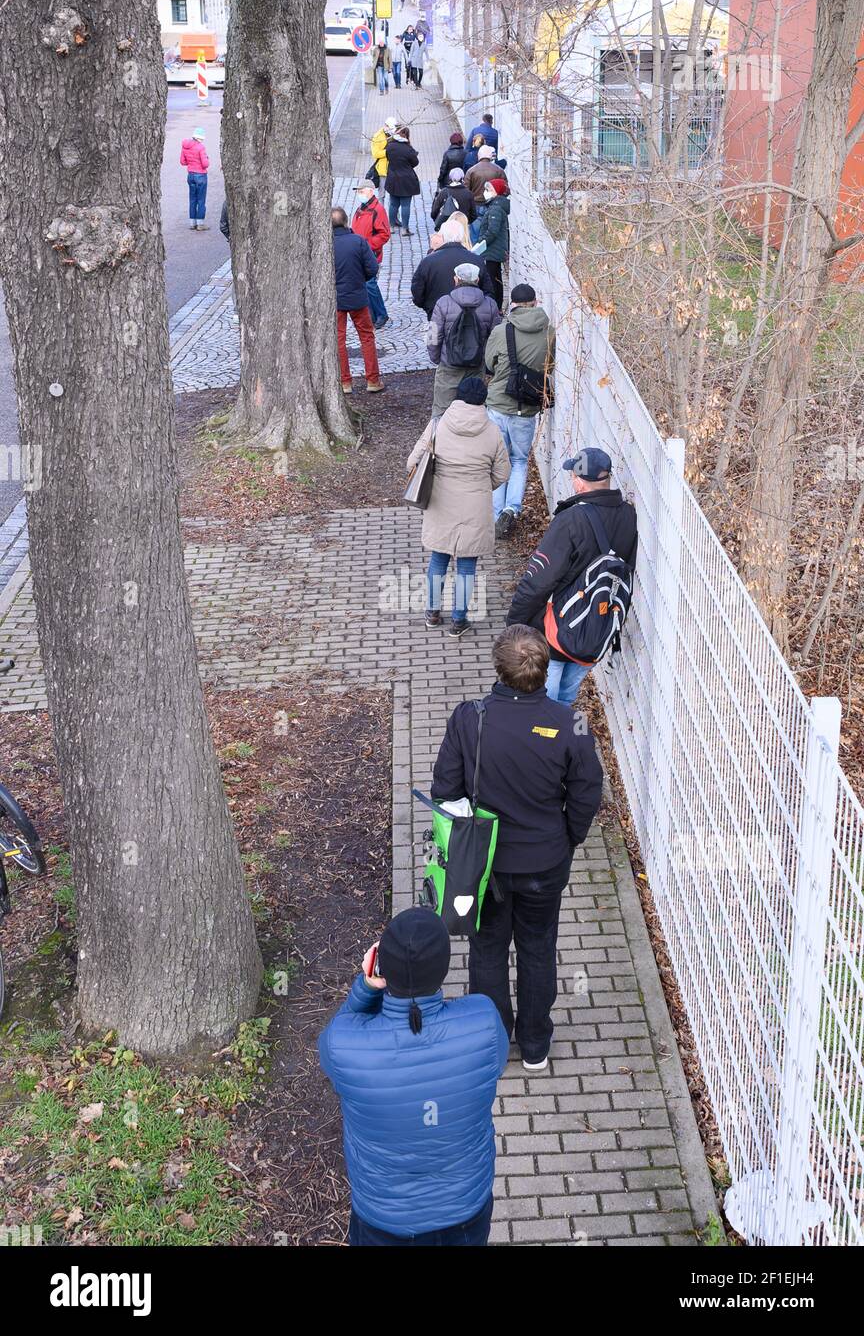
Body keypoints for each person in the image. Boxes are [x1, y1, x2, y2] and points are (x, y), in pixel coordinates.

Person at [430, 624, 604, 1067]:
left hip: (482, 867)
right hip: (545, 863)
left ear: (498, 668)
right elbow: (586, 793)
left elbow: (445, 790)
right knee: (538, 947)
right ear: (544, 672)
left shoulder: (469, 717)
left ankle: (491, 1042)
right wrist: (568, 838)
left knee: (487, 949)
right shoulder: (572, 724)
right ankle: (535, 1045)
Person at [319, 907, 508, 1247]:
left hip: (383, 1219)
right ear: (444, 967)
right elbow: (497, 1063)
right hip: (465, 1208)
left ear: (381, 966)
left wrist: (364, 988)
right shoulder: (484, 1020)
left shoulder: (344, 1044)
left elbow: (335, 1039)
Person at [507, 449, 638, 704]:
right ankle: (560, 739)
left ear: (579, 481)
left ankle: (543, 740)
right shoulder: (628, 516)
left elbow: (539, 581)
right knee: (564, 702)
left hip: (555, 631)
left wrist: (515, 622)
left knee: (541, 704)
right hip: (595, 630)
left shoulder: (571, 520)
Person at [407, 376, 509, 636]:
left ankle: (431, 612)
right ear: (483, 400)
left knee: (438, 558)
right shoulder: (492, 430)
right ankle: (459, 621)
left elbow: (413, 462)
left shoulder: (438, 425)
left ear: (457, 396)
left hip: (441, 502)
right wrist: (481, 485)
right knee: (467, 565)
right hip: (474, 506)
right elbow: (503, 473)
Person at [484, 283, 555, 537]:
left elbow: (489, 364)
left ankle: (495, 514)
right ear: (536, 302)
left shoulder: (501, 331)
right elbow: (550, 365)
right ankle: (511, 509)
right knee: (519, 460)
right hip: (526, 408)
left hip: (498, 406)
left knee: (497, 461)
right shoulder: (549, 332)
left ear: (512, 304)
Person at [426, 263, 501, 415]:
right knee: (474, 410)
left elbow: (433, 335)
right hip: (477, 364)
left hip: (449, 365)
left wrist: (437, 358)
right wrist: (489, 365)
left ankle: (441, 438)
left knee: (442, 411)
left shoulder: (443, 303)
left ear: (456, 279)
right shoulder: (490, 305)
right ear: (477, 279)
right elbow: (495, 339)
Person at [331, 207, 384, 394]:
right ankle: (372, 380)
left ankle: (345, 382)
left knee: (339, 340)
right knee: (367, 337)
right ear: (346, 222)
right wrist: (359, 278)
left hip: (335, 299)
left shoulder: (326, 244)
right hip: (357, 296)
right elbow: (372, 268)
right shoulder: (358, 241)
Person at [411, 218, 495, 319]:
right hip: (471, 317)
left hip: (437, 315)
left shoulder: (428, 261)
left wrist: (429, 308)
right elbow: (488, 292)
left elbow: (417, 292)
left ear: (443, 236)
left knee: (436, 335)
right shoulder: (476, 259)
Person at [351, 179, 391, 331]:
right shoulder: (362, 208)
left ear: (370, 191)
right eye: (358, 192)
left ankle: (381, 314)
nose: (359, 194)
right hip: (359, 252)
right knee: (366, 284)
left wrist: (366, 245)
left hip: (370, 254)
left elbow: (384, 234)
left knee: (370, 284)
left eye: (361, 191)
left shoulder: (377, 210)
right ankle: (374, 316)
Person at [473, 178, 509, 308]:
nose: (485, 192)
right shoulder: (496, 206)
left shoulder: (495, 209)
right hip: (494, 249)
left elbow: (492, 231)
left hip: (492, 250)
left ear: (497, 192)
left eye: (489, 190)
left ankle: (494, 306)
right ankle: (497, 306)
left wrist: (480, 242)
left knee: (492, 280)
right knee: (496, 278)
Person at [384, 125, 420, 235]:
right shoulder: (408, 149)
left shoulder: (389, 146)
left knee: (393, 204)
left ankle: (391, 227)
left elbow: (388, 157)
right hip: (406, 180)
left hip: (393, 179)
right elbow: (415, 163)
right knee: (405, 205)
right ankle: (404, 229)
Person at [180, 126, 209, 230]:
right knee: (201, 200)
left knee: (192, 199)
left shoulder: (185, 146)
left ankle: (192, 223)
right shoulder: (201, 147)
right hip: (201, 175)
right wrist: (207, 158)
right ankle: (200, 224)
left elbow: (183, 162)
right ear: (200, 138)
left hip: (191, 175)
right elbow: (205, 164)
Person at [368, 115, 396, 192]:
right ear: (386, 126)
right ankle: (381, 205)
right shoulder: (377, 137)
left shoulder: (395, 134)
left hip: (394, 168)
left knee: (393, 193)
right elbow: (375, 154)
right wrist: (388, 152)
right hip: (382, 169)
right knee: (382, 194)